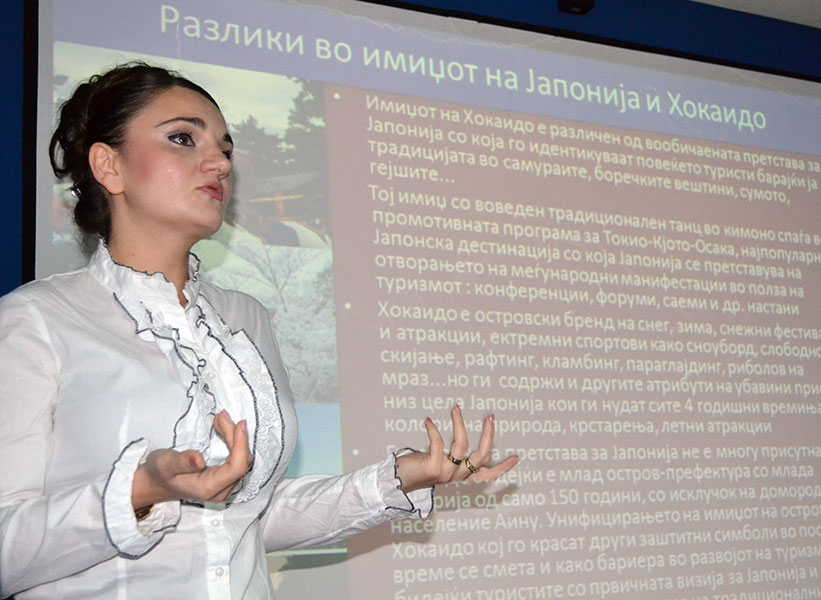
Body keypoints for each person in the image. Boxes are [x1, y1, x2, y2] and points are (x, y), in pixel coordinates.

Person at [0, 63, 518, 599]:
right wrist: (140, 489)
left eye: (225, 149)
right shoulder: (37, 321)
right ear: (109, 166)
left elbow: (244, 521)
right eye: (183, 139)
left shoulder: (246, 318)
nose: (220, 163)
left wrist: (401, 477)